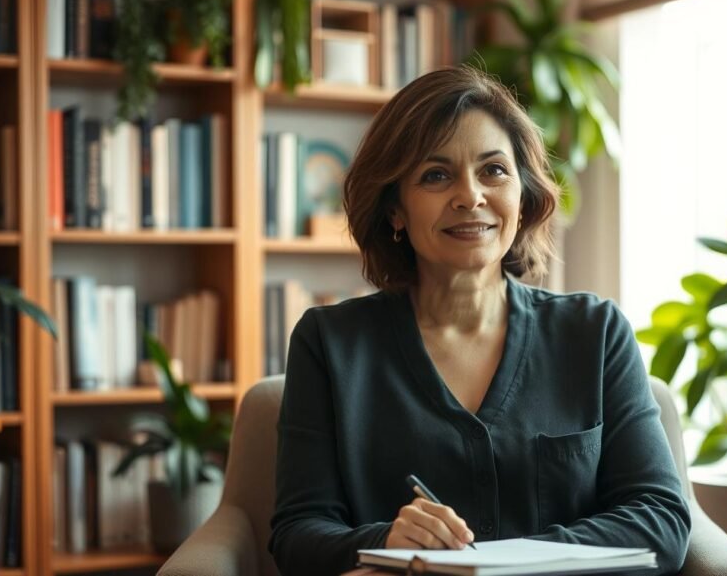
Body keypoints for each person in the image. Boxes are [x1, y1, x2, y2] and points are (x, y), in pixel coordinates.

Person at [268, 66, 691, 576]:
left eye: (493, 170)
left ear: (523, 194)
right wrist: (388, 539)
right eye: (436, 175)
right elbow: (297, 534)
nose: (471, 196)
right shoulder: (328, 343)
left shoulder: (595, 333)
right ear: (395, 210)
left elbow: (660, 520)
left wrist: (504, 565)